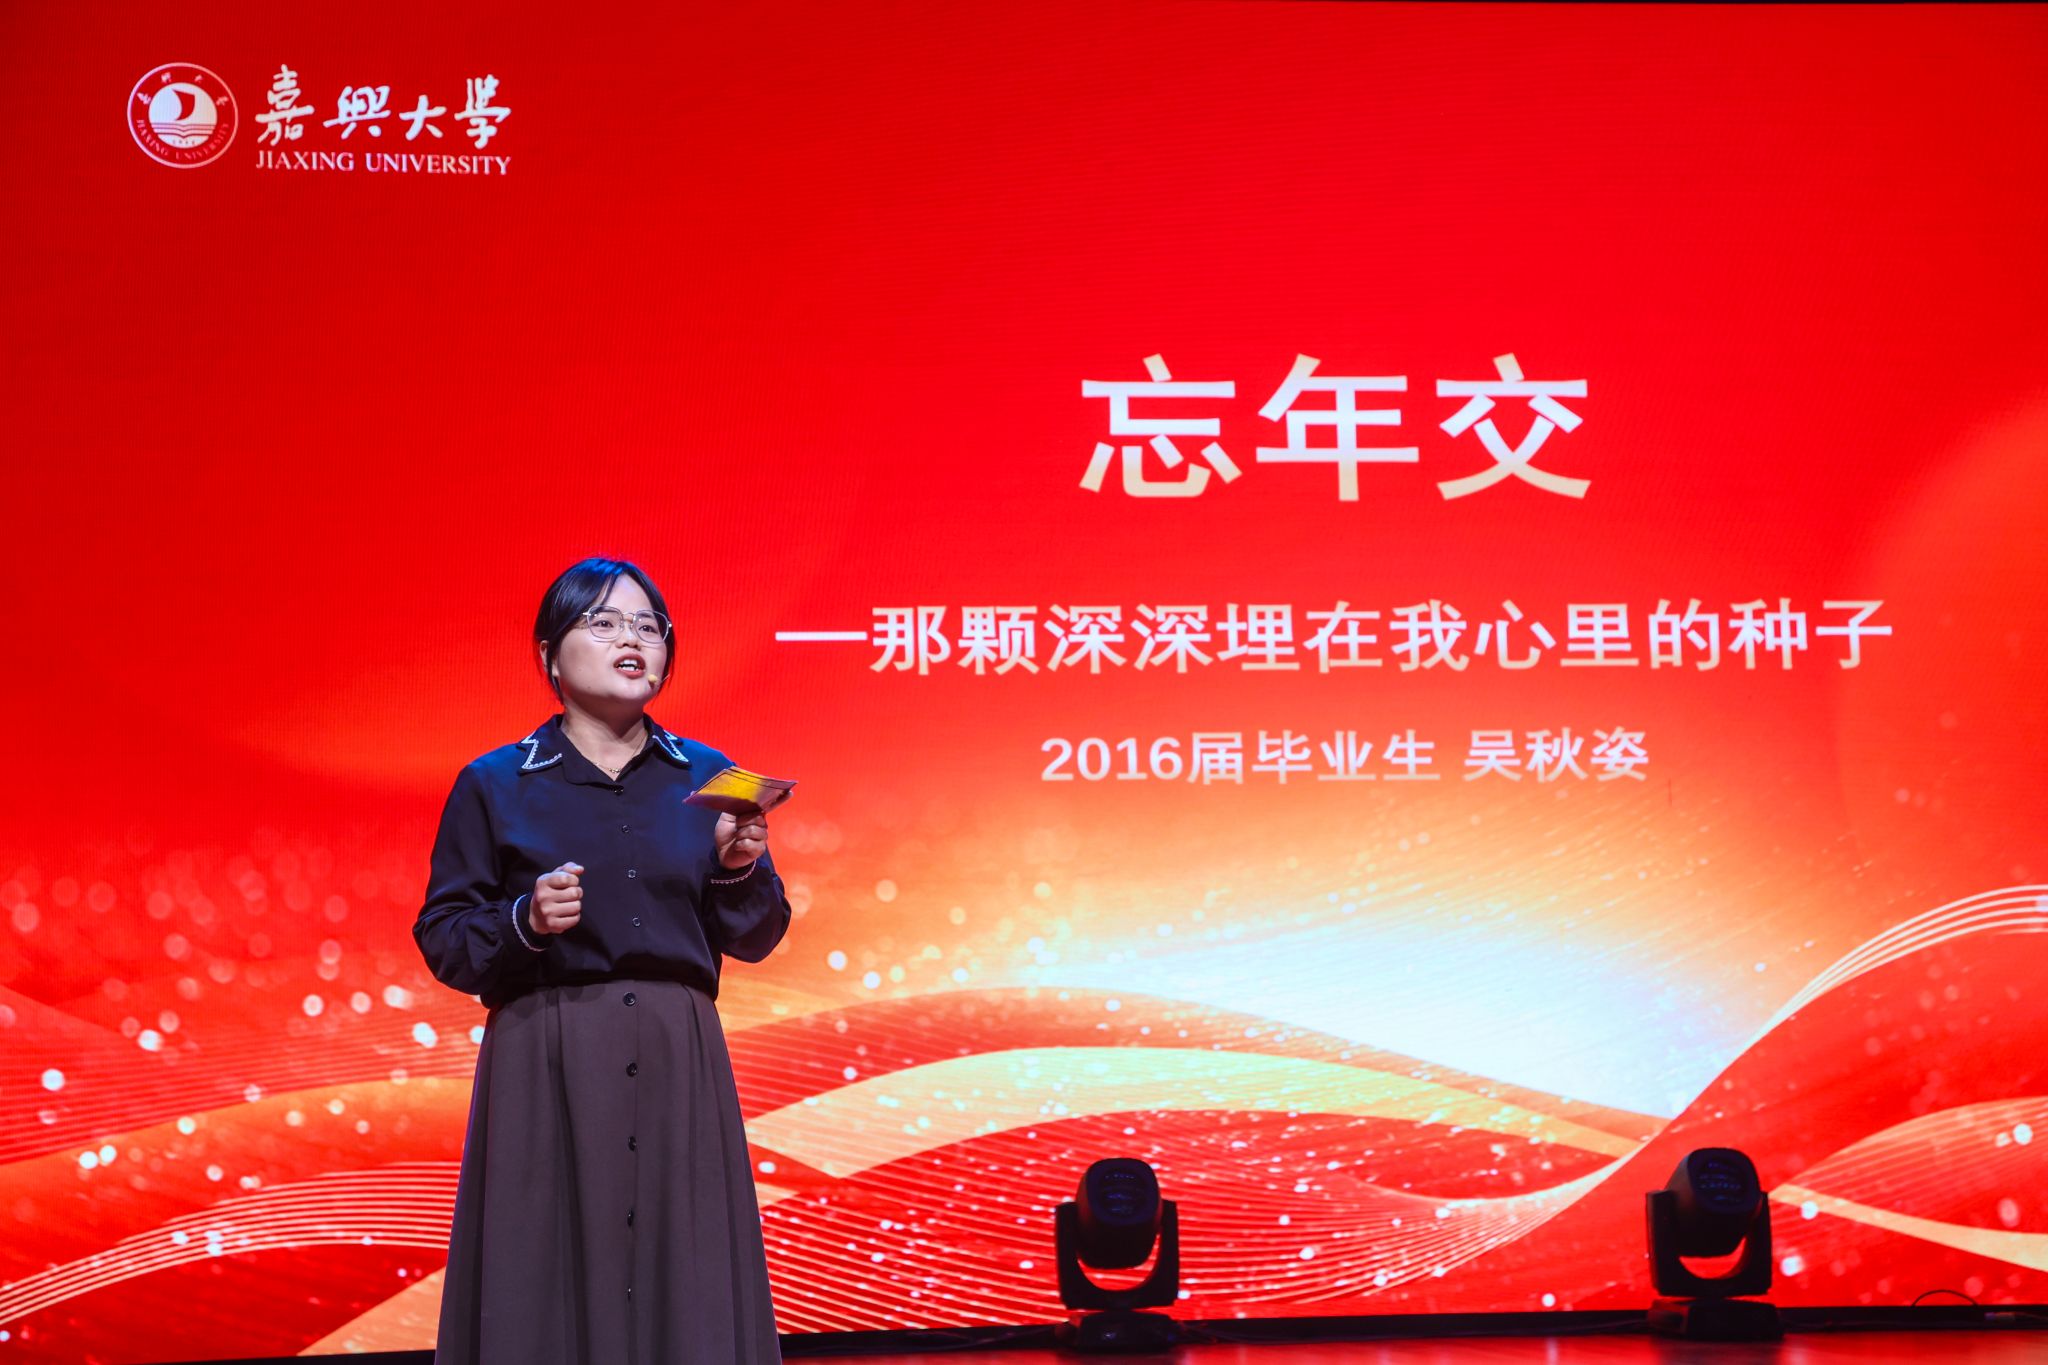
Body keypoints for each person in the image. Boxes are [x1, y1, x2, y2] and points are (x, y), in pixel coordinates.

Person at [414, 556, 790, 1365]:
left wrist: (739, 868)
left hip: (679, 1056)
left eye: (650, 626)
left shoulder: (714, 777)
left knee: (686, 1277)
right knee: (539, 1279)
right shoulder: (495, 782)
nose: (634, 639)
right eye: (607, 621)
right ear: (550, 654)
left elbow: (759, 935)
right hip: (545, 1053)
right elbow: (444, 935)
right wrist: (523, 919)